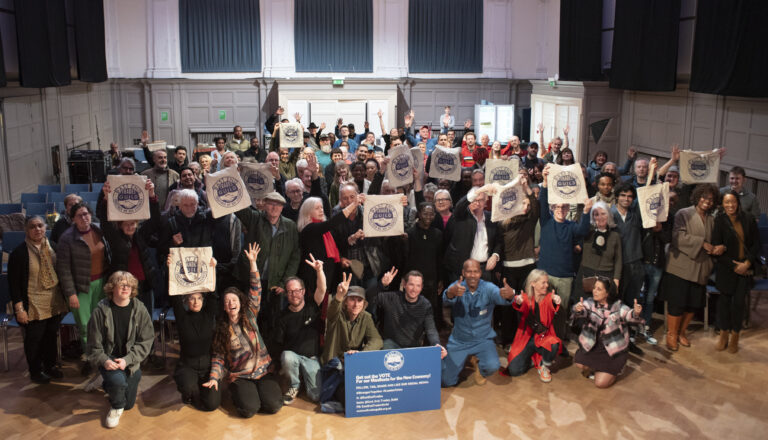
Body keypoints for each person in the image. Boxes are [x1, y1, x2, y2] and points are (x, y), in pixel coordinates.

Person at [203, 243, 283, 418]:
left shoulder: (250, 315)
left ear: (240, 302)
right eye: (227, 301)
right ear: (224, 307)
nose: (231, 303)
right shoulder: (222, 328)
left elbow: (256, 289)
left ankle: (260, 390)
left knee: (273, 405)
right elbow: (218, 356)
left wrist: (253, 262)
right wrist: (214, 377)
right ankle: (240, 392)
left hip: (263, 371)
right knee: (249, 410)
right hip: (241, 375)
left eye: (234, 300)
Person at [87, 271, 154, 428]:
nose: (126, 287)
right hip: (109, 357)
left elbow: (146, 341)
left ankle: (106, 382)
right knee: (118, 386)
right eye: (121, 284)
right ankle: (116, 407)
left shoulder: (140, 309)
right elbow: (93, 344)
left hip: (130, 359)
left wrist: (128, 359)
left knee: (129, 404)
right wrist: (104, 361)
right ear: (112, 287)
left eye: (129, 285)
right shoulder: (100, 311)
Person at [660, 184, 722, 351]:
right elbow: (677, 237)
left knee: (693, 303)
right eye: (704, 197)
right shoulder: (684, 213)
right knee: (677, 302)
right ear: (697, 197)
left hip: (701, 267)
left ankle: (682, 332)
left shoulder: (712, 220)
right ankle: (672, 334)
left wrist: (718, 247)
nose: (707, 201)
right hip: (680, 266)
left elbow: (716, 241)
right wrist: (701, 243)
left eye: (711, 199)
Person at [8, 216, 68, 383]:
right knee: (34, 339)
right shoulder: (19, 253)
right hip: (33, 302)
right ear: (26, 230)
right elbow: (14, 285)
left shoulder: (53, 247)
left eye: (40, 225)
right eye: (33, 227)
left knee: (51, 335)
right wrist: (19, 309)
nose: (37, 229)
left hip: (54, 300)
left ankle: (50, 366)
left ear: (45, 227)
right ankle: (35, 371)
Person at [538, 164, 593, 344]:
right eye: (557, 207)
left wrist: (586, 211)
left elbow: (583, 230)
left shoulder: (571, 226)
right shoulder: (546, 222)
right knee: (543, 310)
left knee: (561, 311)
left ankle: (558, 341)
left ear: (568, 208)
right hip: (545, 275)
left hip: (565, 277)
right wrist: (545, 181)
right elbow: (542, 201)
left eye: (564, 207)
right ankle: (542, 339)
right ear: (552, 207)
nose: (560, 210)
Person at [233, 191, 299, 335]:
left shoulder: (290, 226)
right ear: (264, 205)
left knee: (271, 321)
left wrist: (285, 282)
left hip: (274, 283)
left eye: (278, 205)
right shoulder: (255, 218)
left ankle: (266, 346)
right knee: (247, 316)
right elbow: (238, 207)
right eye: (271, 204)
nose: (274, 207)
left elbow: (295, 256)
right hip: (250, 279)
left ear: (283, 207)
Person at [56, 202, 111, 375]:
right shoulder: (67, 238)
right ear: (73, 219)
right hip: (80, 288)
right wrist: (71, 293)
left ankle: (103, 356)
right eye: (79, 215)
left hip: (102, 283)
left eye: (86, 214)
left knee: (102, 322)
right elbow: (63, 269)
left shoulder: (99, 230)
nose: (84, 218)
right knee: (86, 326)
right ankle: (90, 358)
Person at [441, 259, 516, 387]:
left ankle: (480, 369)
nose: (472, 275)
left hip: (483, 339)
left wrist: (510, 295)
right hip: (460, 340)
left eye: (475, 271)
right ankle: (461, 360)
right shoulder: (457, 286)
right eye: (469, 271)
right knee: (446, 381)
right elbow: (446, 299)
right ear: (463, 273)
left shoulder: (488, 288)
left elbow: (501, 297)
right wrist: (450, 293)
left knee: (493, 366)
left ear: (480, 273)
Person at [97, 179, 161, 320]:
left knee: (146, 319)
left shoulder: (141, 235)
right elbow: (104, 222)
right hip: (125, 286)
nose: (130, 227)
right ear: (120, 225)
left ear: (137, 223)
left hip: (144, 285)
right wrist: (106, 197)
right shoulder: (115, 238)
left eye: (132, 224)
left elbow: (155, 220)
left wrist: (152, 195)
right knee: (128, 321)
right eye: (126, 224)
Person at [319, 274, 383, 413]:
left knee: (357, 392)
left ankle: (337, 404)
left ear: (364, 304)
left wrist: (360, 354)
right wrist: (339, 295)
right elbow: (331, 312)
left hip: (352, 365)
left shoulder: (366, 317)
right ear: (345, 302)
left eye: (359, 300)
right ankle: (334, 402)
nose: (356, 304)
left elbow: (376, 340)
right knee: (347, 394)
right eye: (352, 299)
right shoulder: (337, 315)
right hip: (334, 366)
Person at [167, 254, 220, 411]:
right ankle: (190, 390)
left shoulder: (208, 314)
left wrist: (213, 269)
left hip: (207, 366)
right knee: (189, 389)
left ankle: (199, 388)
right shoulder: (182, 317)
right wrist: (170, 268)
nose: (196, 302)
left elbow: (213, 292)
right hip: (187, 365)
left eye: (199, 298)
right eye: (192, 298)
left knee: (212, 404)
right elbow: (174, 294)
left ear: (203, 300)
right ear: (186, 301)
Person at [571, 276, 644, 388]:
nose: (594, 291)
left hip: (613, 350)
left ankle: (617, 369)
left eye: (599, 289)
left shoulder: (618, 307)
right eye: (594, 288)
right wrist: (577, 309)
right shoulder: (590, 303)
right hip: (595, 345)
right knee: (580, 364)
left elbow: (629, 316)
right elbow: (582, 310)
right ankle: (598, 368)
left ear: (607, 293)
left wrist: (636, 313)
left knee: (600, 383)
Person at [712, 191, 761, 353]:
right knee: (724, 304)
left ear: (738, 202)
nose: (730, 205)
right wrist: (734, 266)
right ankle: (723, 335)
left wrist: (747, 263)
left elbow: (756, 244)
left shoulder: (748, 219)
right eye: (726, 202)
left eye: (732, 201)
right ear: (722, 204)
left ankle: (735, 337)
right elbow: (716, 247)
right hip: (727, 268)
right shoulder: (719, 220)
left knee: (739, 304)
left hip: (745, 269)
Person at [274, 255, 326, 404]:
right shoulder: (282, 317)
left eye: (297, 290)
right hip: (293, 358)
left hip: (311, 358)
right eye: (290, 291)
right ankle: (294, 385)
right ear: (286, 294)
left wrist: (319, 271)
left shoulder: (312, 305)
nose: (294, 295)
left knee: (316, 397)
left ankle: (305, 379)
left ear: (303, 291)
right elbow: (278, 344)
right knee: (287, 356)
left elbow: (322, 288)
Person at [495, 176, 539, 344]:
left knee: (527, 305)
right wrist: (498, 268)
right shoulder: (503, 223)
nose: (526, 207)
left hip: (528, 268)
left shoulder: (529, 221)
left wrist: (527, 188)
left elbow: (536, 207)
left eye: (528, 204)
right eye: (523, 204)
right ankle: (507, 339)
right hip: (509, 269)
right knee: (508, 306)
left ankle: (526, 339)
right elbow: (499, 245)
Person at [371, 268, 446, 357]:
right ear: (404, 284)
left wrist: (436, 344)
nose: (414, 289)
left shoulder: (425, 305)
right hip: (392, 344)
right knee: (387, 345)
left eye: (418, 286)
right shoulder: (392, 298)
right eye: (411, 284)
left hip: (413, 347)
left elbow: (431, 329)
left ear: (421, 287)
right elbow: (369, 297)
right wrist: (381, 285)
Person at [505, 269, 562, 383]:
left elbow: (553, 304)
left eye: (547, 282)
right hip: (526, 340)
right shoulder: (525, 298)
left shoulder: (549, 298)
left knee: (554, 343)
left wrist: (556, 300)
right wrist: (518, 301)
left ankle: (544, 365)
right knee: (514, 371)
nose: (547, 285)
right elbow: (518, 303)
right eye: (543, 282)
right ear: (533, 283)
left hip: (543, 338)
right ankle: (532, 358)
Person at [443, 185, 501, 282]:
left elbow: (499, 240)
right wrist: (480, 190)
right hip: (462, 270)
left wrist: (495, 255)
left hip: (484, 270)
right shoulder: (461, 215)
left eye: (480, 200)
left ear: (486, 201)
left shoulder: (491, 218)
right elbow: (459, 206)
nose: (477, 203)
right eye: (474, 200)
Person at [404, 203, 444, 327]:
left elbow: (440, 258)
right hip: (414, 280)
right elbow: (405, 258)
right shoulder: (409, 234)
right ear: (419, 214)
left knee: (431, 309)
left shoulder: (438, 234)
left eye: (431, 214)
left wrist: (440, 279)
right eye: (425, 213)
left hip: (432, 279)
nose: (428, 217)